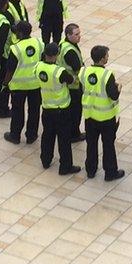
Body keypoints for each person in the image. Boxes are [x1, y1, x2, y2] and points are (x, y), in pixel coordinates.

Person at [79, 45, 124, 181]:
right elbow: (113, 96)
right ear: (103, 59)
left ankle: (91, 170)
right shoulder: (107, 75)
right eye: (107, 55)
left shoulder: (84, 72)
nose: (108, 57)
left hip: (90, 114)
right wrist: (119, 88)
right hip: (106, 117)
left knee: (91, 144)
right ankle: (110, 172)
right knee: (108, 145)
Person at [36, 43, 81, 175]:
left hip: (46, 107)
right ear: (56, 55)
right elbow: (71, 80)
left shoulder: (38, 66)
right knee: (64, 139)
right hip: (61, 108)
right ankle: (65, 166)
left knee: (47, 135)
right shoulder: (59, 71)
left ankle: (45, 160)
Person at [3, 21, 43, 144]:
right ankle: (31, 135)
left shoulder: (15, 48)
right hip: (36, 85)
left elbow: (10, 69)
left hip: (19, 86)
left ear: (20, 33)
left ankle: (15, 135)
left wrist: (5, 83)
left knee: (17, 111)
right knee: (34, 111)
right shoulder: (39, 43)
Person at [58, 23, 85, 142]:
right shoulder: (70, 51)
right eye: (76, 34)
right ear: (68, 35)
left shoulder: (63, 44)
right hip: (73, 86)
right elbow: (77, 69)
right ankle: (74, 134)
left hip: (66, 85)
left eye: (79, 33)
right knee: (75, 111)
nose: (79, 36)